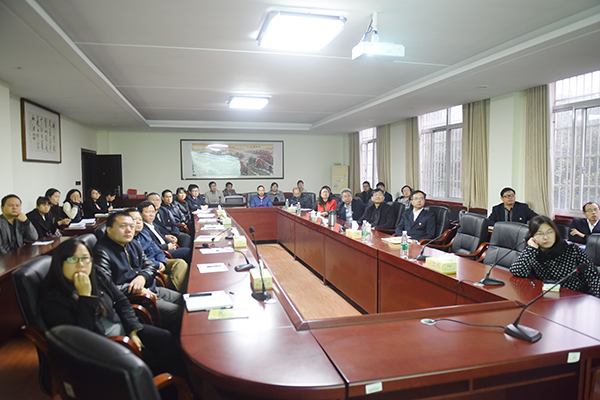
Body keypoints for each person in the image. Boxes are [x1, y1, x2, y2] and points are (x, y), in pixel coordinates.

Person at [39, 238, 189, 380]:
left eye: (85, 258)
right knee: (152, 360)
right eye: (73, 259)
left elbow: (122, 301)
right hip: (100, 346)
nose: (81, 264)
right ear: (60, 263)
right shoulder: (53, 299)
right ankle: (167, 390)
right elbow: (82, 338)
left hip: (122, 328)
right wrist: (85, 297)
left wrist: (133, 330)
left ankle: (187, 386)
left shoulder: (96, 275)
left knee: (165, 338)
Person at [93, 211, 183, 336]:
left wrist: (142, 277)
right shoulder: (102, 252)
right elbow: (107, 288)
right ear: (109, 230)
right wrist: (135, 288)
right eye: (123, 226)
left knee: (185, 300)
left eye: (131, 226)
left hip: (150, 288)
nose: (129, 230)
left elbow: (149, 265)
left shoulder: (132, 243)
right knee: (180, 313)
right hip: (135, 298)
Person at [510, 215, 600, 297]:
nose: (546, 237)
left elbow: (594, 279)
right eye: (540, 234)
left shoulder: (573, 251)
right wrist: (531, 249)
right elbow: (518, 272)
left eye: (549, 232)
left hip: (573, 299)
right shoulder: (533, 252)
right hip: (544, 298)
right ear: (532, 237)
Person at [127, 208, 188, 293]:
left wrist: (162, 261)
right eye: (134, 219)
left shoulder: (144, 233)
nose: (138, 222)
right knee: (181, 277)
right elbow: (140, 261)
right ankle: (182, 293)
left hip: (158, 262)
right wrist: (157, 264)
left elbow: (158, 250)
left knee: (180, 263)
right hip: (148, 269)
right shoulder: (128, 240)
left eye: (140, 219)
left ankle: (181, 291)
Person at [137, 201, 192, 265]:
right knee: (187, 251)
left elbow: (162, 237)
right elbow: (152, 246)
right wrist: (167, 246)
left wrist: (170, 243)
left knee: (187, 241)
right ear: (140, 214)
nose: (151, 214)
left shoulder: (153, 224)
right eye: (148, 212)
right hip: (161, 252)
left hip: (166, 247)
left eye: (153, 212)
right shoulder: (142, 228)